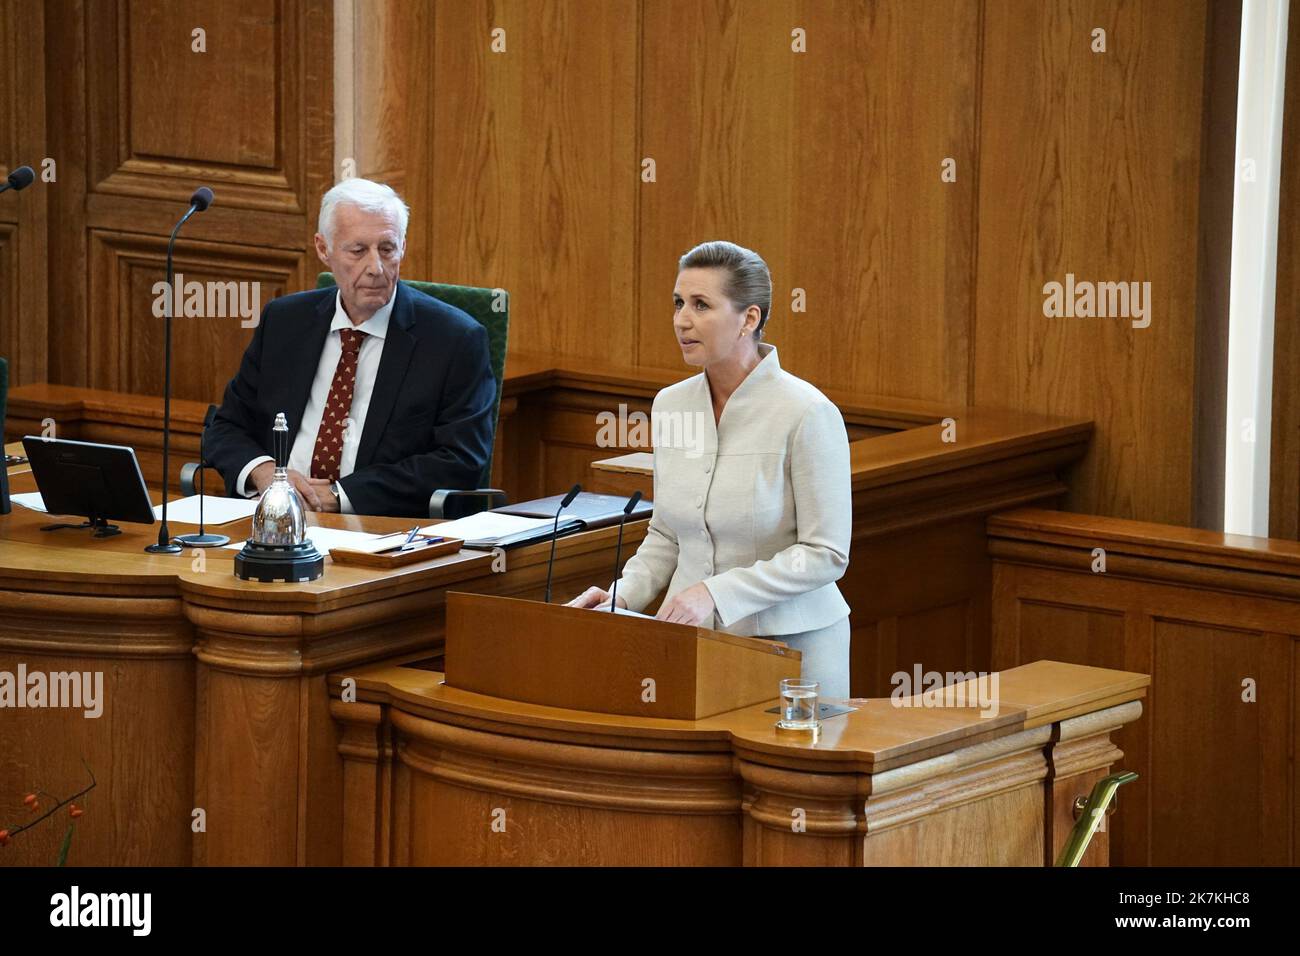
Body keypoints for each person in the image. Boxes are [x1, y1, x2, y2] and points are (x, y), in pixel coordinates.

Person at [567, 241, 853, 697]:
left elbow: (826, 553)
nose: (682, 319)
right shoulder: (670, 405)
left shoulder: (807, 412)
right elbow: (666, 534)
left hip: (793, 653)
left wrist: (715, 592)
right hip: (694, 644)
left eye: (702, 305)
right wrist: (623, 597)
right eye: (679, 303)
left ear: (749, 318)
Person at [206, 178, 496, 518]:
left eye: (387, 249)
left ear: (402, 246)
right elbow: (226, 426)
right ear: (323, 248)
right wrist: (266, 473)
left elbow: (461, 460)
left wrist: (338, 495)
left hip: (377, 527)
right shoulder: (285, 321)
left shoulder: (454, 340)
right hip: (271, 521)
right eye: (358, 251)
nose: (375, 268)